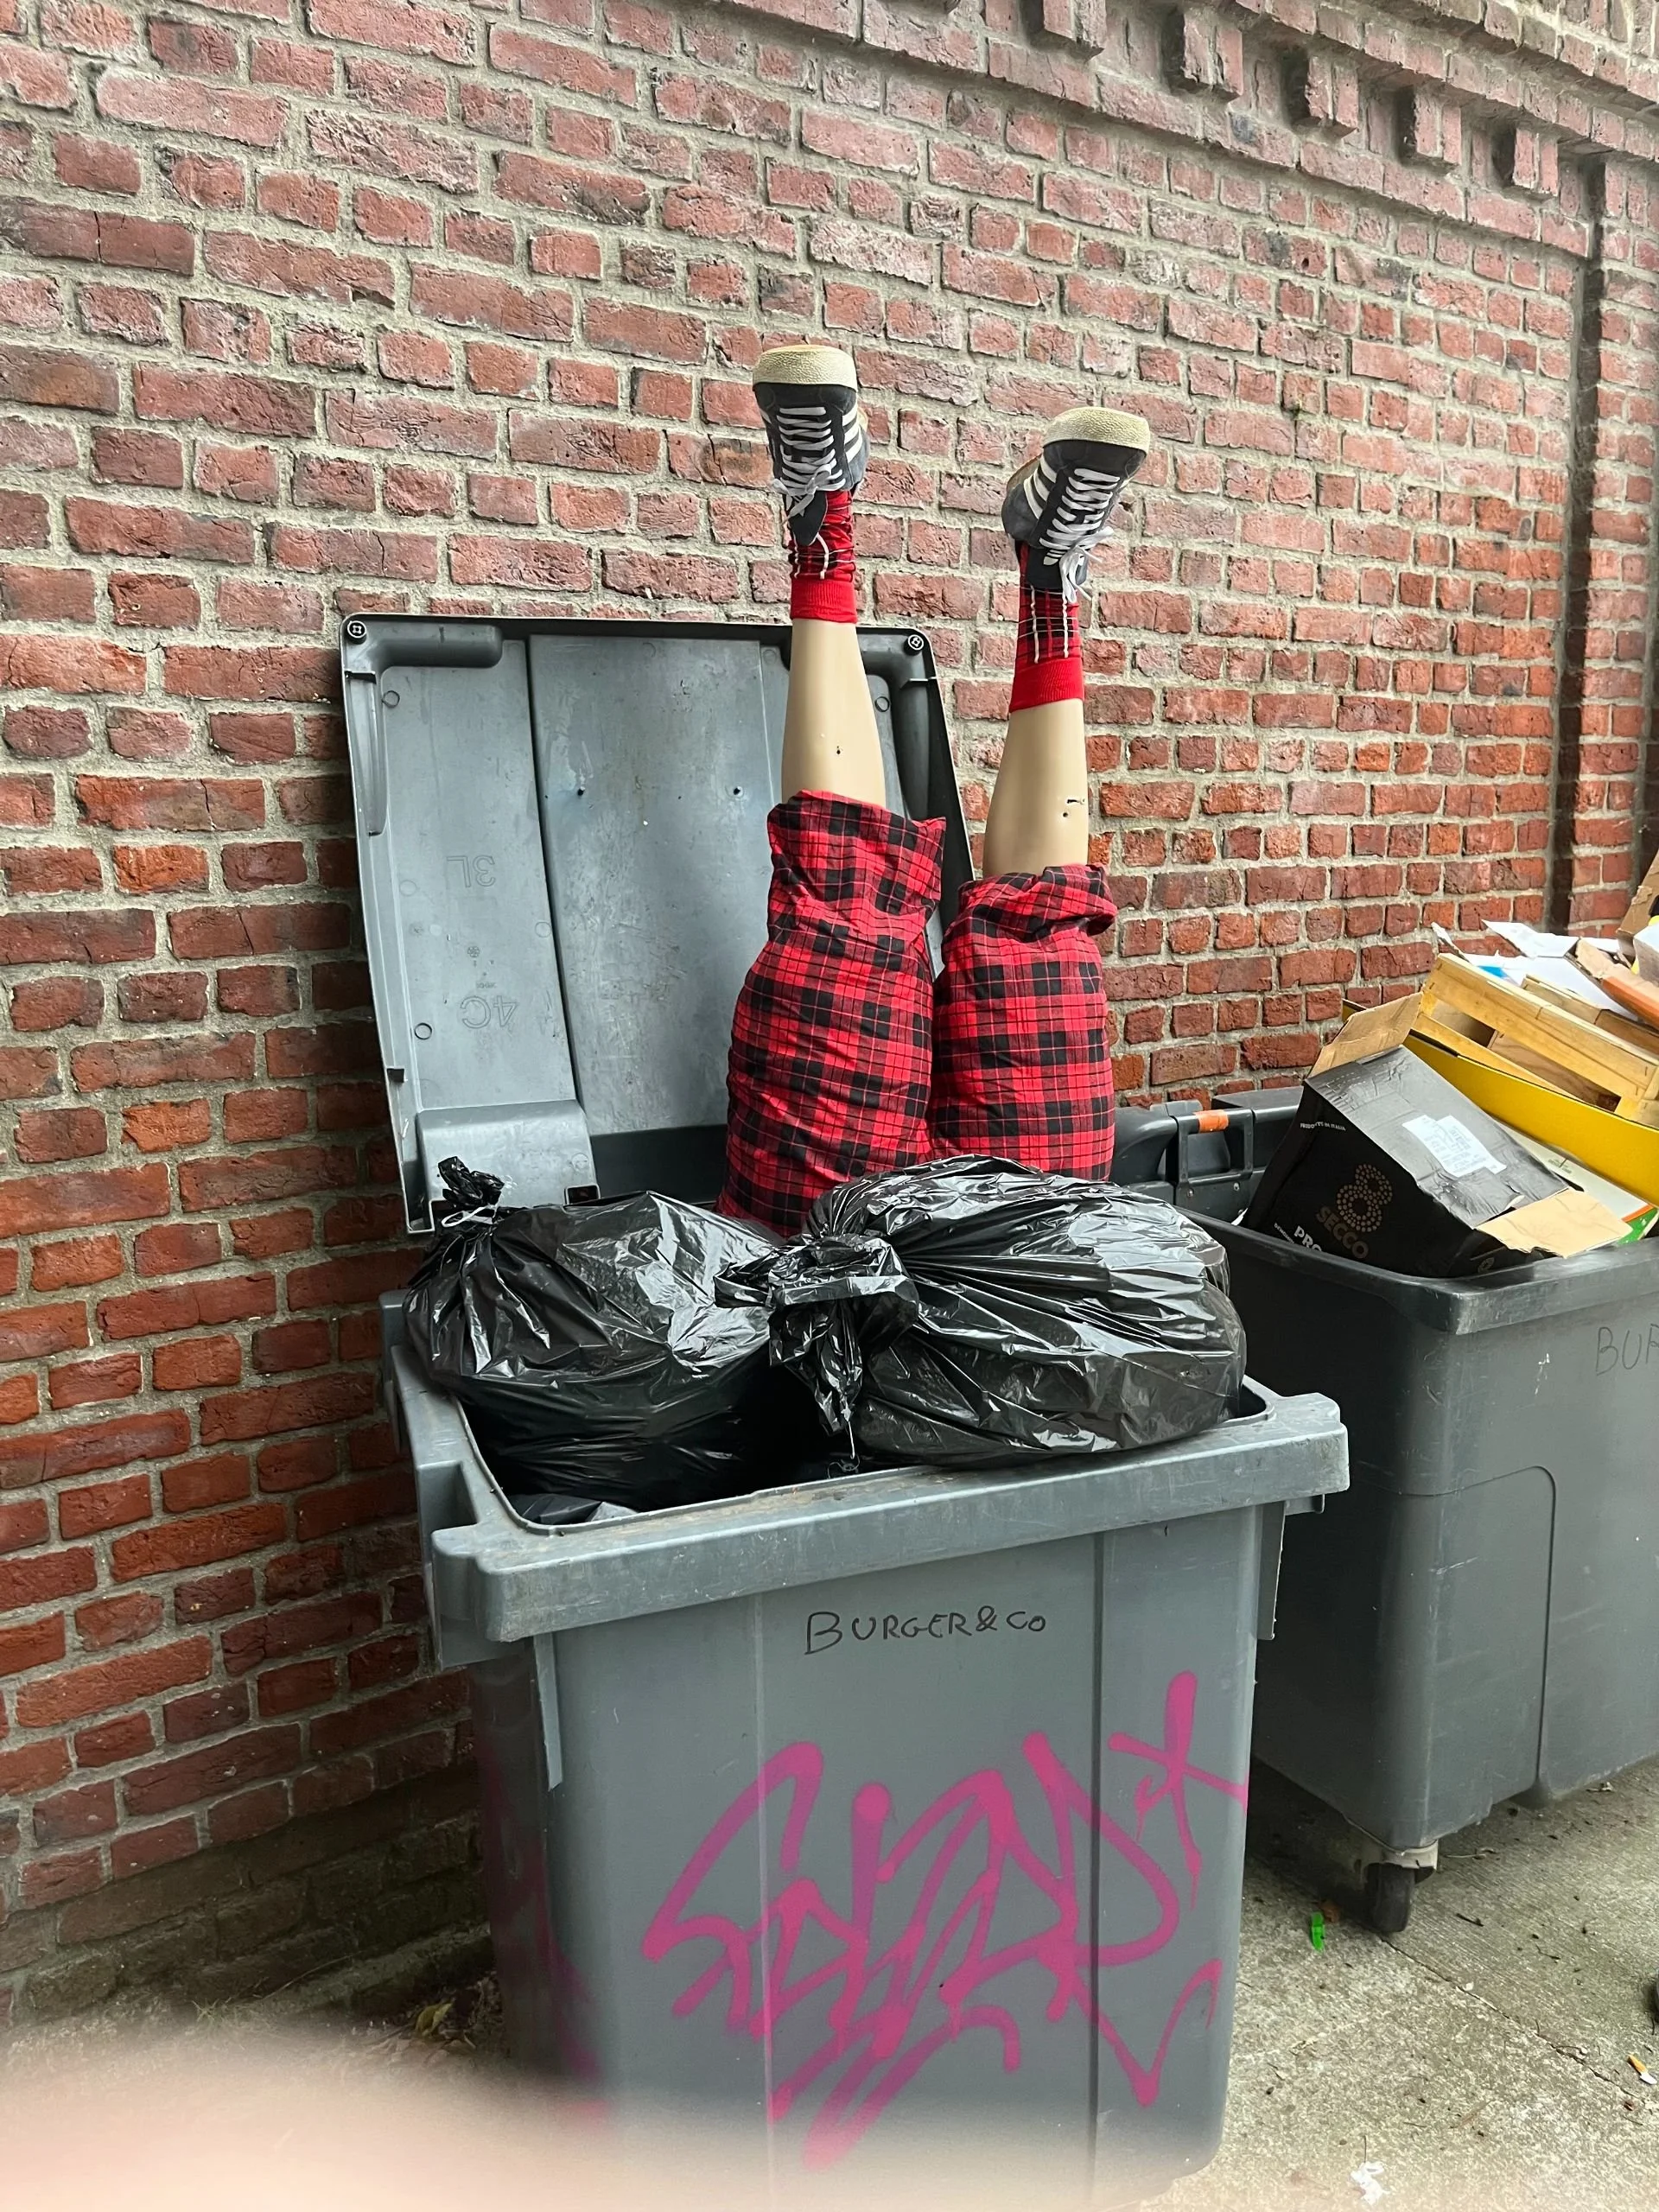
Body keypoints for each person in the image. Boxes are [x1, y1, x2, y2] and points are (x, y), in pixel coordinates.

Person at [721, 342, 1151, 1236]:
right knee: (1040, 966)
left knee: (854, 933)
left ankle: (829, 515)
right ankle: (1045, 579)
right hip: (918, 1321)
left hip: (871, 1281)